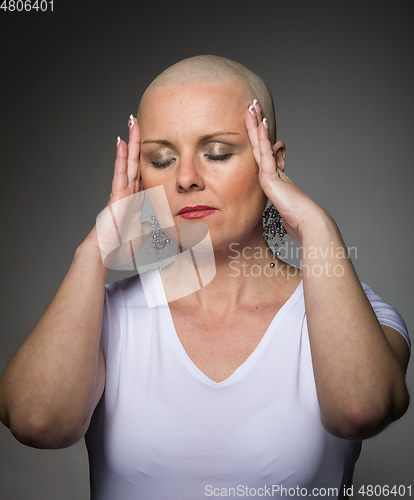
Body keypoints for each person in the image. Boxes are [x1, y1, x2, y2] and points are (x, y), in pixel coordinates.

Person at [0, 55, 410, 499]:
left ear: (272, 162)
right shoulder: (101, 315)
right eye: (160, 159)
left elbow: (361, 410)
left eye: (216, 153)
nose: (186, 178)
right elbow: (35, 422)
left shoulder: (353, 310)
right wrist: (95, 251)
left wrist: (317, 227)